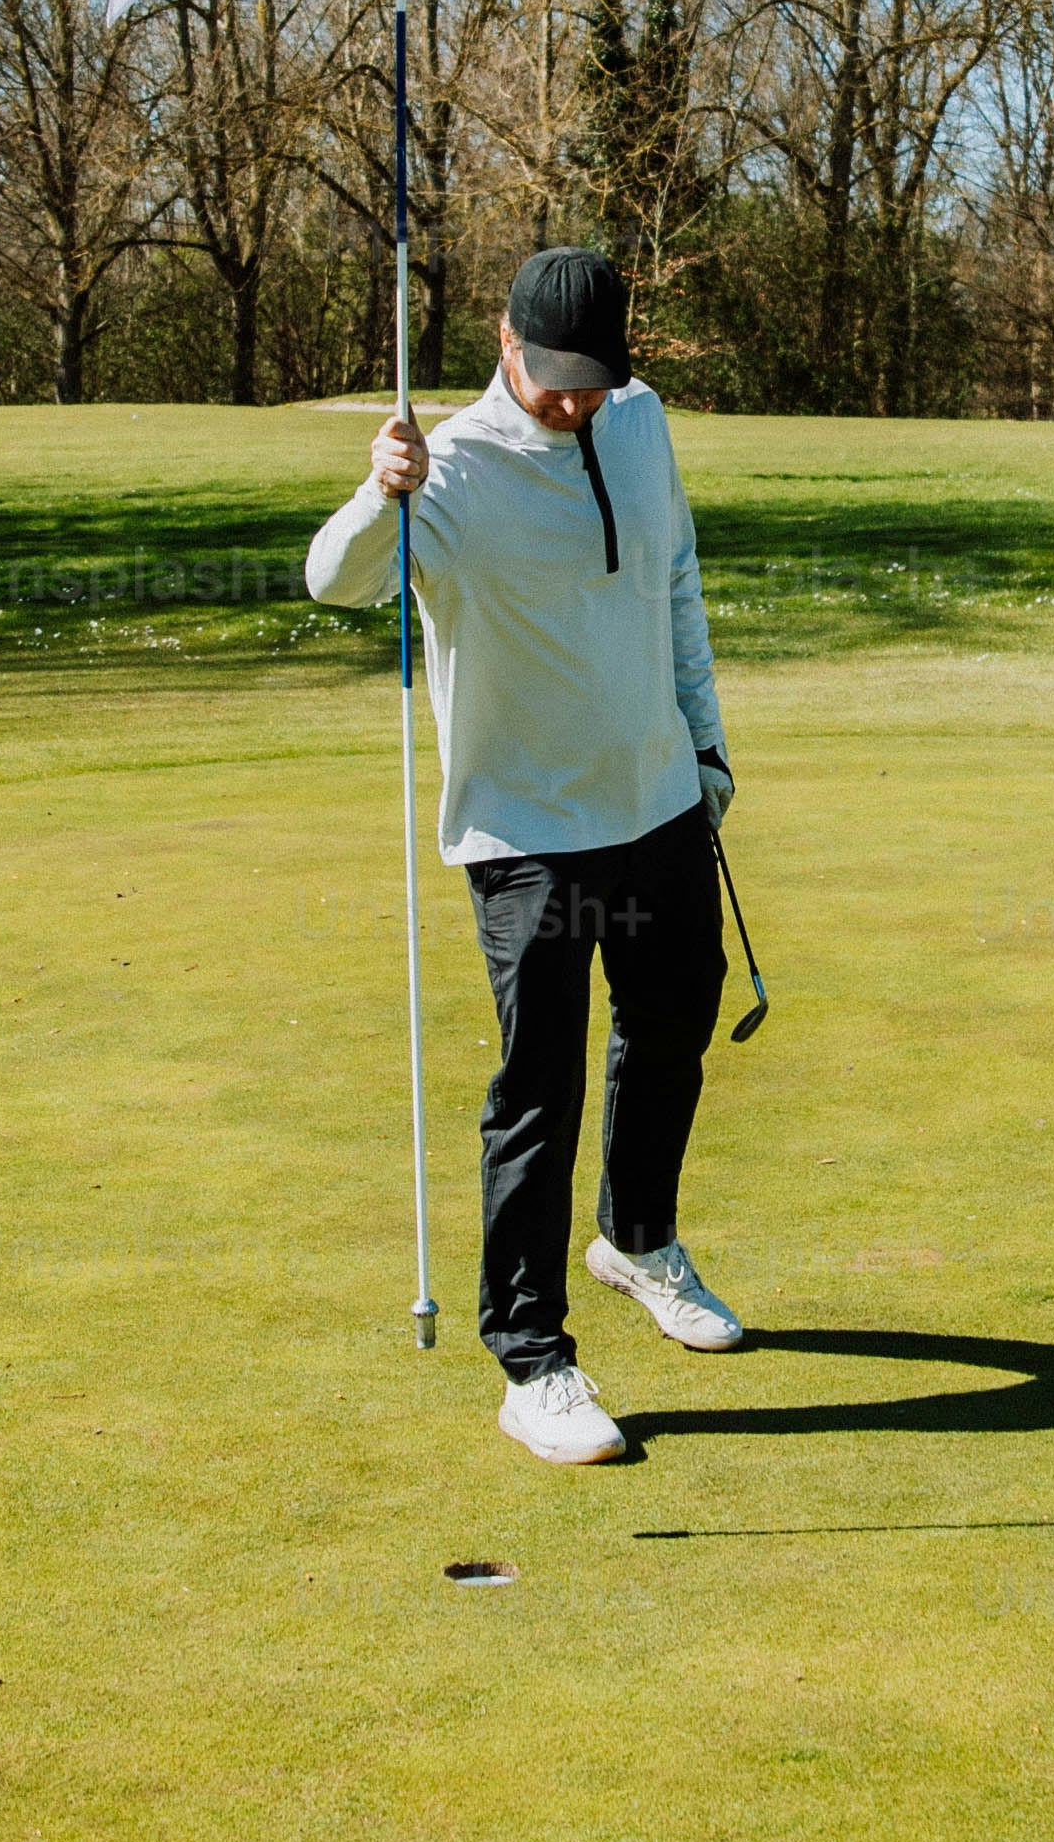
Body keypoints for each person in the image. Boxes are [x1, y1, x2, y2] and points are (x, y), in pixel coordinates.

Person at [304, 244, 744, 1466]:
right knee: (537, 1089)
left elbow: (674, 587)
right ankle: (533, 1362)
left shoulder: (641, 423)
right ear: (504, 343)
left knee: (671, 1030)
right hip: (525, 837)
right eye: (551, 378)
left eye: (590, 379)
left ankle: (639, 1241)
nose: (570, 402)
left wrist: (705, 750)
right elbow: (330, 584)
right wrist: (374, 492)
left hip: (656, 807)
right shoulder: (445, 472)